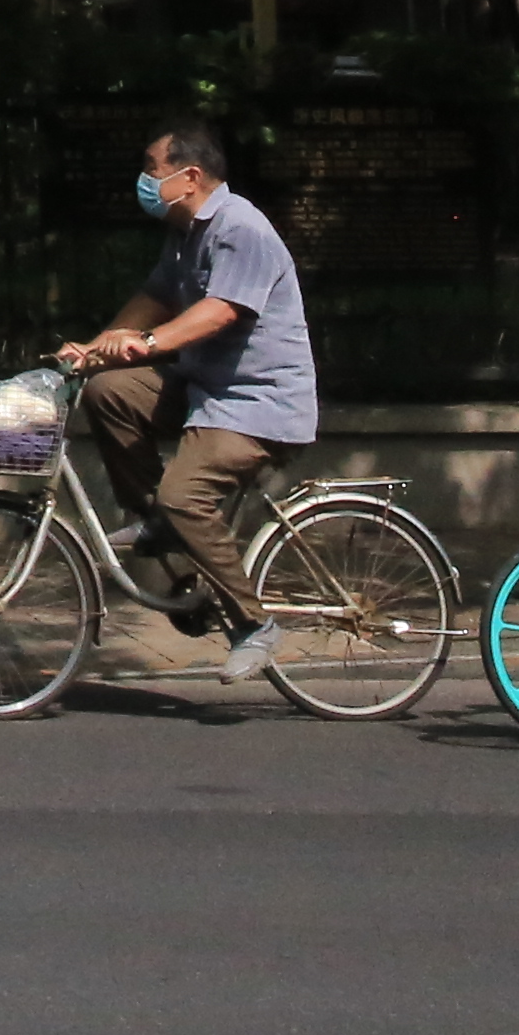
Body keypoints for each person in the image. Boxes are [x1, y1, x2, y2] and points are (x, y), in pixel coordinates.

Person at [54, 117, 319, 686]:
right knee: (111, 392)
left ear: (189, 176)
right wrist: (96, 352)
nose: (144, 180)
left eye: (153, 169)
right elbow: (152, 297)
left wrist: (146, 345)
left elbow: (222, 310)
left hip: (257, 404)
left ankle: (255, 626)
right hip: (203, 388)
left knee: (185, 496)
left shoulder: (242, 227)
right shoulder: (185, 233)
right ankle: (161, 528)